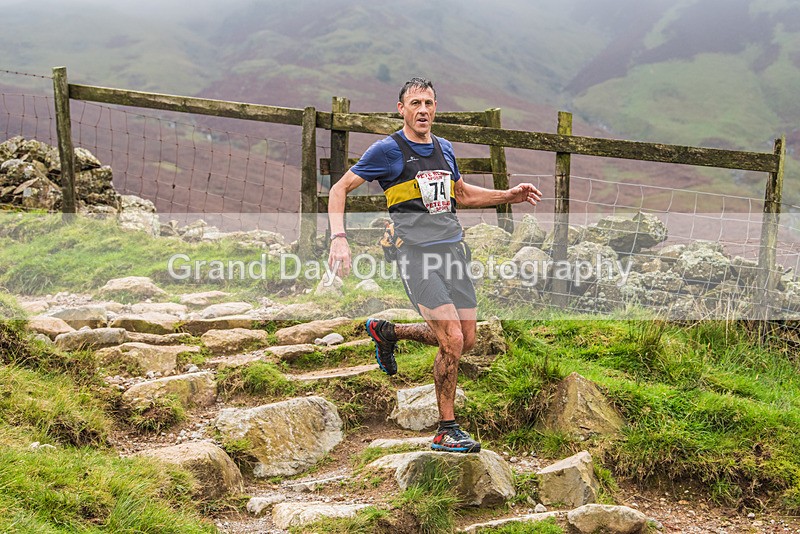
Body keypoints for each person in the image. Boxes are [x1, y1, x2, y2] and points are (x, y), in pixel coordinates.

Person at [328, 77, 542, 453]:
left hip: (454, 252)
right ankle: (446, 428)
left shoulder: (444, 148)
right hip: (416, 255)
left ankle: (387, 332)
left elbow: (462, 194)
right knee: (453, 339)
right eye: (415, 103)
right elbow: (339, 188)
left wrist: (507, 195)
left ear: (435, 107)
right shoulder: (388, 151)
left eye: (428, 103)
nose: (422, 110)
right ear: (401, 109)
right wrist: (339, 238)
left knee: (467, 340)